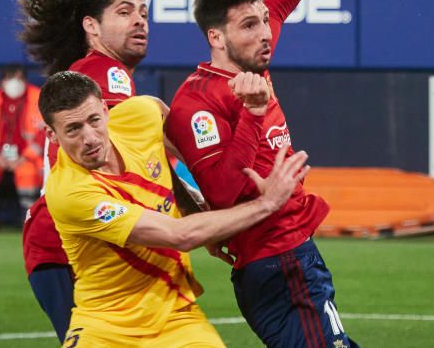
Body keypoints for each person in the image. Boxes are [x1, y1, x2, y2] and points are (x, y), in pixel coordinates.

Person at [163, 0, 371, 348]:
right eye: (250, 24)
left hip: (291, 254)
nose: (266, 32)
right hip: (277, 262)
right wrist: (254, 116)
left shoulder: (253, 56)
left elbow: (281, 0)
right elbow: (220, 192)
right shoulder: (196, 103)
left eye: (263, 21)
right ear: (217, 37)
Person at [41, 70, 310, 348]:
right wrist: (266, 203)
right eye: (73, 129)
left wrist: (189, 204)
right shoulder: (69, 193)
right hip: (105, 327)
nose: (90, 138)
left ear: (105, 110)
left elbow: (161, 120)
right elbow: (180, 236)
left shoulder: (140, 113)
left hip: (176, 317)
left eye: (94, 120)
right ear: (51, 134)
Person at [18, 0, 162, 341]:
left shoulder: (97, 73)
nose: (140, 22)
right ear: (91, 26)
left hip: (75, 244)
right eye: (125, 12)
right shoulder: (104, 73)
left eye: (144, 13)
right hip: (65, 248)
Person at [0, 65, 45, 233]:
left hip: (28, 158)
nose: (14, 83)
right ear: (2, 83)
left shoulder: (39, 99)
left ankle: (28, 222)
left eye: (19, 79)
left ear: (25, 81)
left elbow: (46, 132)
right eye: (10, 79)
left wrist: (25, 157)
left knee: (27, 173)